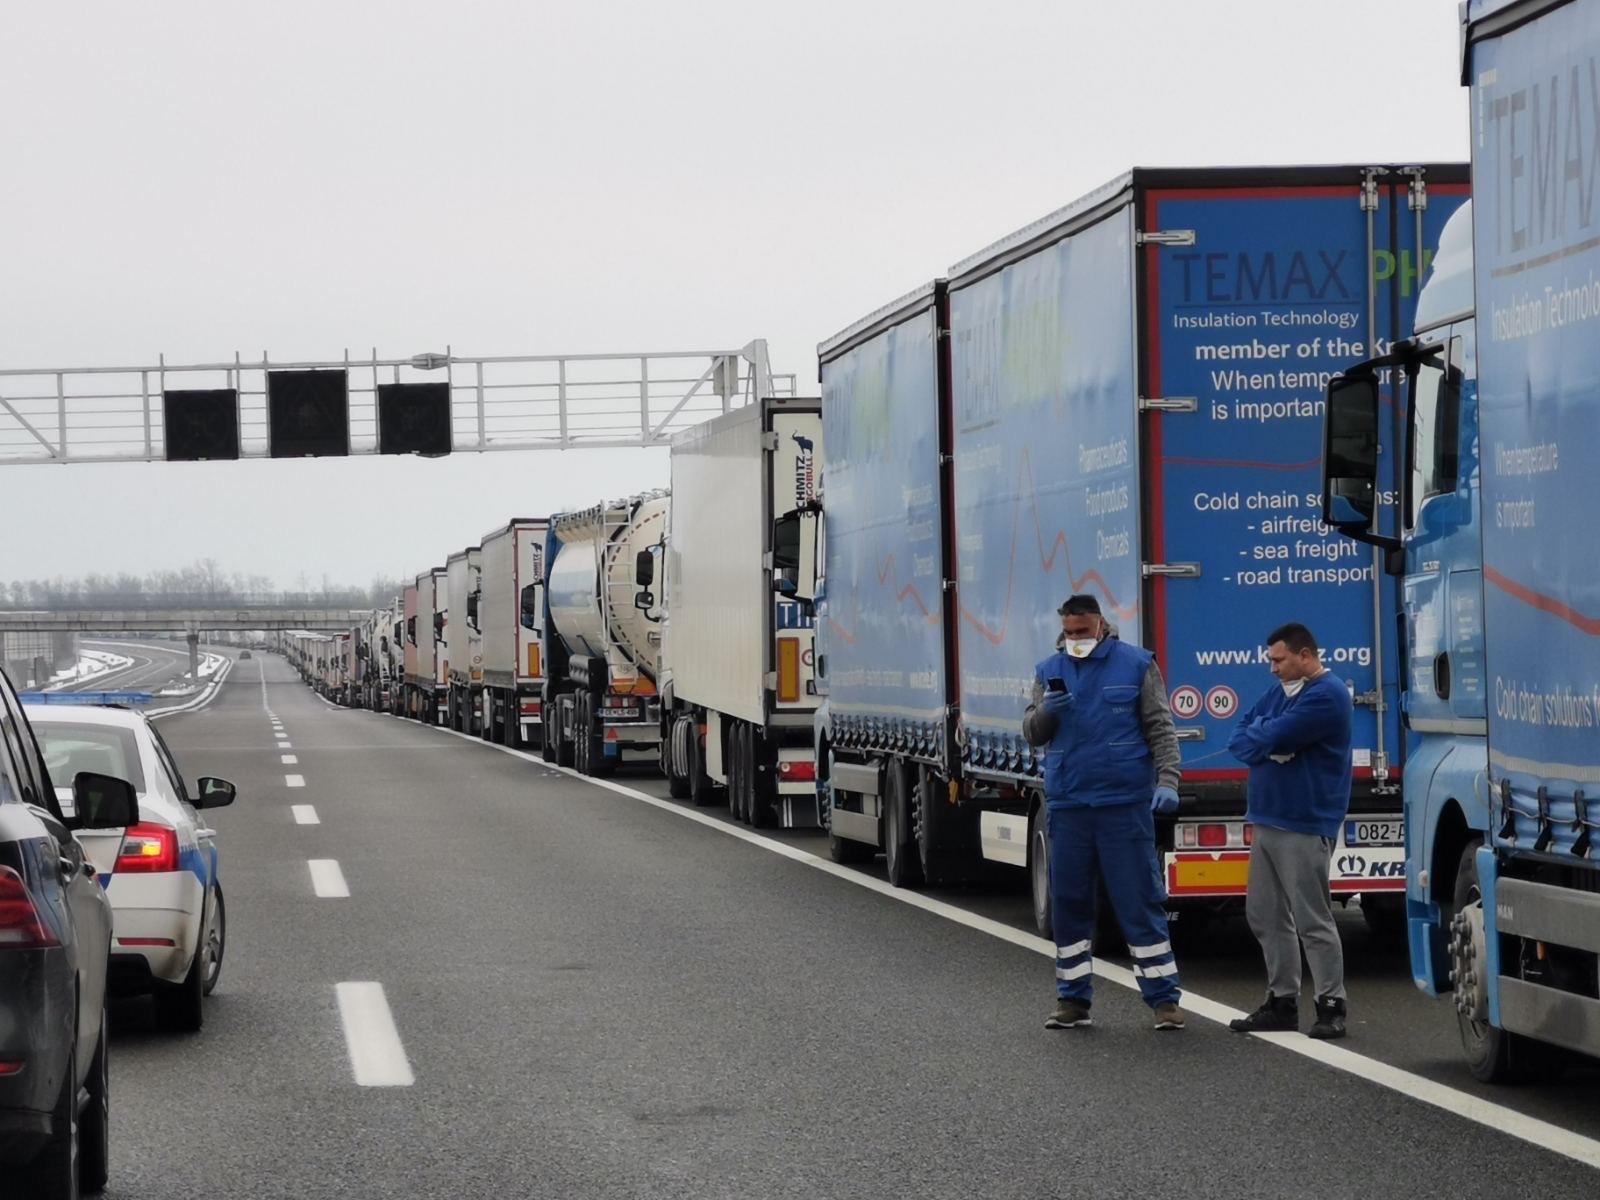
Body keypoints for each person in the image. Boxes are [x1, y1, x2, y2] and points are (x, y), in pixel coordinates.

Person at [1022, 593, 1184, 1032]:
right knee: (1069, 904)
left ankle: (1164, 1001)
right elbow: (1032, 733)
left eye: (1083, 631)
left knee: (1139, 901)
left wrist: (1168, 781)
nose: (1075, 639)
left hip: (1124, 806)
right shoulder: (1048, 670)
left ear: (1101, 625)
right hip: (1070, 805)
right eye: (1069, 632)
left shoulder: (1136, 665)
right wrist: (1045, 714)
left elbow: (1160, 727)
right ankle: (1073, 1000)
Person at [1225, 621, 1354, 1040]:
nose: (1272, 668)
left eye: (1278, 660)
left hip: (1304, 821)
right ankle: (1282, 1001)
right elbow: (1240, 736)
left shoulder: (1327, 695)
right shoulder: (1282, 692)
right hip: (1266, 817)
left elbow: (1275, 732)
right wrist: (1269, 746)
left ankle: (1331, 1005)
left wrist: (1269, 740)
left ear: (1304, 655)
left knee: (1311, 918)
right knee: (1264, 914)